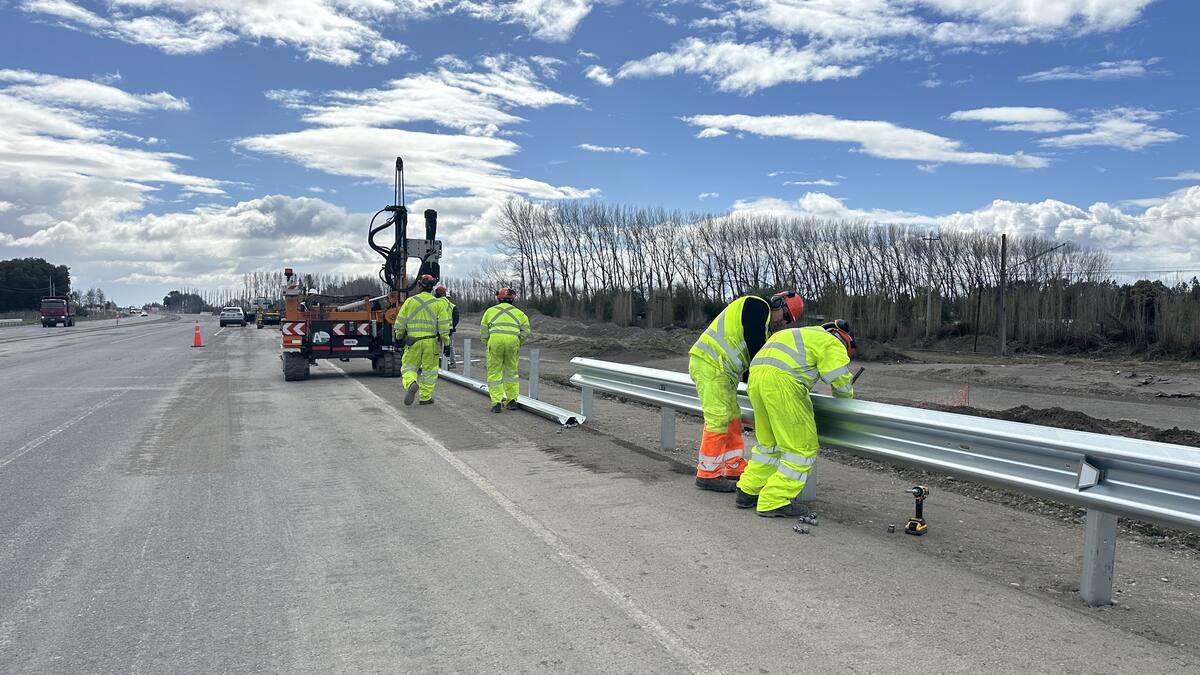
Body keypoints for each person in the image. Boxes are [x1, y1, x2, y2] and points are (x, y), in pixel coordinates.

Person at [735, 320, 857, 517]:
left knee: (769, 446)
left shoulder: (792, 334)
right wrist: (845, 400)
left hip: (755, 381)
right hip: (783, 385)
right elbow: (840, 380)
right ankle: (774, 499)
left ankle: (747, 490)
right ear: (844, 340)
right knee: (801, 449)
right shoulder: (831, 341)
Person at [690, 291, 805, 492]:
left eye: (788, 322)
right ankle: (707, 474)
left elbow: (752, 362)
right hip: (711, 364)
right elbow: (755, 350)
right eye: (786, 317)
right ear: (779, 304)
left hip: (723, 371)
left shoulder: (762, 322)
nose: (783, 323)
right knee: (719, 418)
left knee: (733, 417)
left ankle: (734, 466)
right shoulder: (756, 306)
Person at [395, 274, 452, 406]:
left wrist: (398, 337)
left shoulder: (410, 301)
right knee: (430, 370)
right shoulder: (438, 304)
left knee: (408, 367)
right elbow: (444, 327)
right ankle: (425, 397)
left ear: (419, 285)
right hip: (431, 342)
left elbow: (400, 322)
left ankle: (411, 383)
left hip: (412, 341)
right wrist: (446, 343)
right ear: (432, 288)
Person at [481, 287, 530, 413]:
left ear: (498, 299)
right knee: (511, 372)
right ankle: (512, 401)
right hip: (512, 342)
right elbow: (526, 331)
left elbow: (484, 331)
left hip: (495, 342)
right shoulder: (520, 313)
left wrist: (488, 343)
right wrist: (518, 342)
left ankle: (496, 403)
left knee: (494, 373)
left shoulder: (490, 311)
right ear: (512, 299)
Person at [434, 284, 460, 367]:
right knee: (449, 346)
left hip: (438, 328)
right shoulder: (452, 305)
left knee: (437, 346)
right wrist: (452, 326)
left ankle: (438, 362)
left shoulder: (436, 303)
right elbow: (456, 318)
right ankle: (451, 362)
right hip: (449, 329)